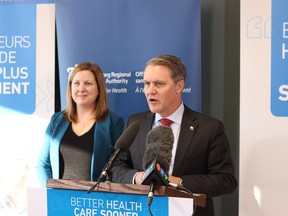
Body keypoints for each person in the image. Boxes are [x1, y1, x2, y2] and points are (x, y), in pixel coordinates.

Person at [111, 55, 237, 215]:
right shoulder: (135, 122)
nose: (150, 90)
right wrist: (137, 177)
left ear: (179, 86)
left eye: (159, 84)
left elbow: (226, 180)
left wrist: (179, 182)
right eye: (146, 84)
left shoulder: (209, 128)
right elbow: (116, 168)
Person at [37, 61, 124, 187]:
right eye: (76, 83)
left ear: (99, 89)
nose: (81, 89)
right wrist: (50, 192)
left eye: (88, 83)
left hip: (94, 202)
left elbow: (119, 168)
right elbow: (43, 164)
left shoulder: (113, 123)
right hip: (59, 200)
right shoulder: (57, 120)